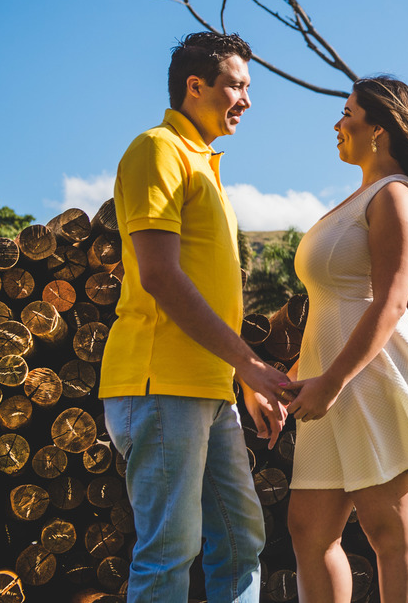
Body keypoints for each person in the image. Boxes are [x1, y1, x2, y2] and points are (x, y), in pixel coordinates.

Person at [100, 31, 288, 603]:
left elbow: (204, 288)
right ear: (195, 86)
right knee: (168, 553)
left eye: (248, 87)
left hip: (209, 391)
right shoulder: (157, 150)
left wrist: (236, 381)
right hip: (159, 387)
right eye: (236, 85)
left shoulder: (206, 164)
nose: (246, 100)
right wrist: (252, 366)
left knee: (240, 542)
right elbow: (160, 277)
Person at [279, 75, 408, 603]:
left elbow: (389, 303)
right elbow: (331, 303)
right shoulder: (361, 196)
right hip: (331, 379)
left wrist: (332, 382)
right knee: (309, 529)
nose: (337, 124)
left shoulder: (395, 197)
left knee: (389, 530)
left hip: (370, 377)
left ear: (379, 129)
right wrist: (301, 378)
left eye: (347, 113)